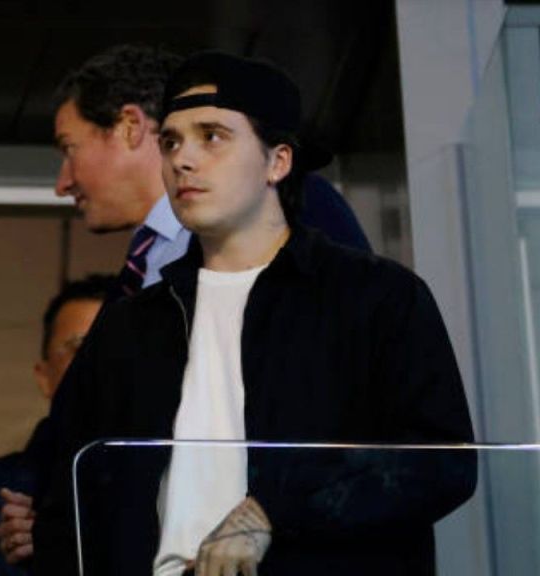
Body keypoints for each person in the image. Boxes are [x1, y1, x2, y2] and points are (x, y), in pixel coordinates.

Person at [31, 51, 476, 576]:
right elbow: (69, 492)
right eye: (170, 141)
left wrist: (271, 513)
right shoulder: (131, 325)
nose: (181, 160)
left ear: (278, 161)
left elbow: (439, 461)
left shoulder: (374, 296)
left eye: (212, 136)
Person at [0, 44, 372, 568]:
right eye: (172, 141)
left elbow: (348, 398)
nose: (64, 181)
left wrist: (273, 512)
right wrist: (55, 507)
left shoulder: (305, 216)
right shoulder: (148, 280)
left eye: (69, 148)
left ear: (129, 127)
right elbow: (121, 422)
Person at [0, 275, 111, 576]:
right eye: (80, 347)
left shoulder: (170, 491)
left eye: (112, 349)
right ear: (43, 375)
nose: (96, 362)